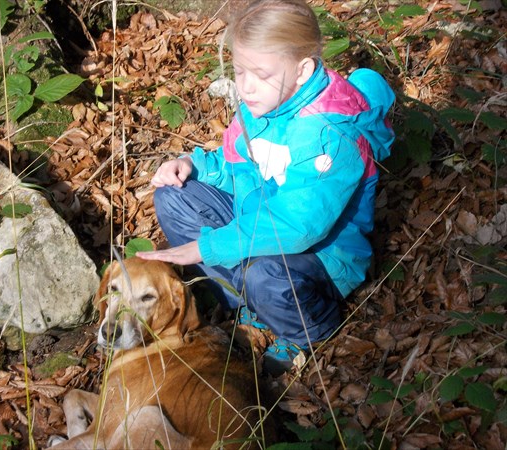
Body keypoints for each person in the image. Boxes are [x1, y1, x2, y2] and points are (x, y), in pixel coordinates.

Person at [137, 0, 395, 375]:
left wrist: (207, 247)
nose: (245, 87)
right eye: (240, 72)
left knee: (265, 275)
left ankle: (308, 330)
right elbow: (236, 164)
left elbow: (298, 228)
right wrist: (193, 166)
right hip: (256, 224)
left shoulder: (329, 135)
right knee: (174, 197)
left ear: (302, 70)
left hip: (322, 256)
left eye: (260, 74)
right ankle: (241, 302)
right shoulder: (260, 105)